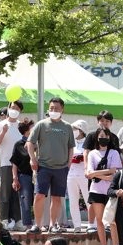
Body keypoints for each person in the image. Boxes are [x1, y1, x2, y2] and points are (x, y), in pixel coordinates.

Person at [27, 97, 76, 233]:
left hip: (61, 168)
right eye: (51, 108)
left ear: (62, 109)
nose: (54, 110)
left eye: (57, 108)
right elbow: (30, 143)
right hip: (43, 167)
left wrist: (68, 163)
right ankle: (37, 225)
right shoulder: (41, 124)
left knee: (56, 197)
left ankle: (53, 225)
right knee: (39, 195)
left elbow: (71, 146)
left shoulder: (67, 127)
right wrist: (32, 159)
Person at [86, 128, 121, 245]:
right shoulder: (92, 154)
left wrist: (96, 173)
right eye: (101, 135)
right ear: (96, 137)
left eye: (106, 135)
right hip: (96, 190)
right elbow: (89, 173)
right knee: (99, 220)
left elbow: (115, 172)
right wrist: (105, 175)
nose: (103, 138)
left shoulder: (114, 153)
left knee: (112, 221)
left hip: (110, 191)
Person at [0, 100, 25, 228]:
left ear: (20, 111)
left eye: (17, 108)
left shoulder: (21, 125)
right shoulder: (1, 125)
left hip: (21, 164)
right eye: (12, 107)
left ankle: (18, 220)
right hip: (6, 162)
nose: (14, 110)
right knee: (5, 192)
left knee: (18, 193)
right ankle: (4, 219)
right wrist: (3, 132)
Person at [10, 119, 36, 232]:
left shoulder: (37, 143)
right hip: (24, 176)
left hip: (38, 175)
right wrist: (15, 179)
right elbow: (14, 163)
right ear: (27, 130)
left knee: (38, 199)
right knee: (25, 200)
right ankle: (28, 225)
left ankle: (40, 223)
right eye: (32, 127)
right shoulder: (18, 145)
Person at [65, 119, 90, 231]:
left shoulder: (88, 143)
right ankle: (77, 225)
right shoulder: (70, 142)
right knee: (73, 200)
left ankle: (92, 224)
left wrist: (81, 158)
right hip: (71, 174)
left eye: (75, 129)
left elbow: (90, 157)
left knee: (88, 199)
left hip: (84, 174)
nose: (73, 131)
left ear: (81, 130)